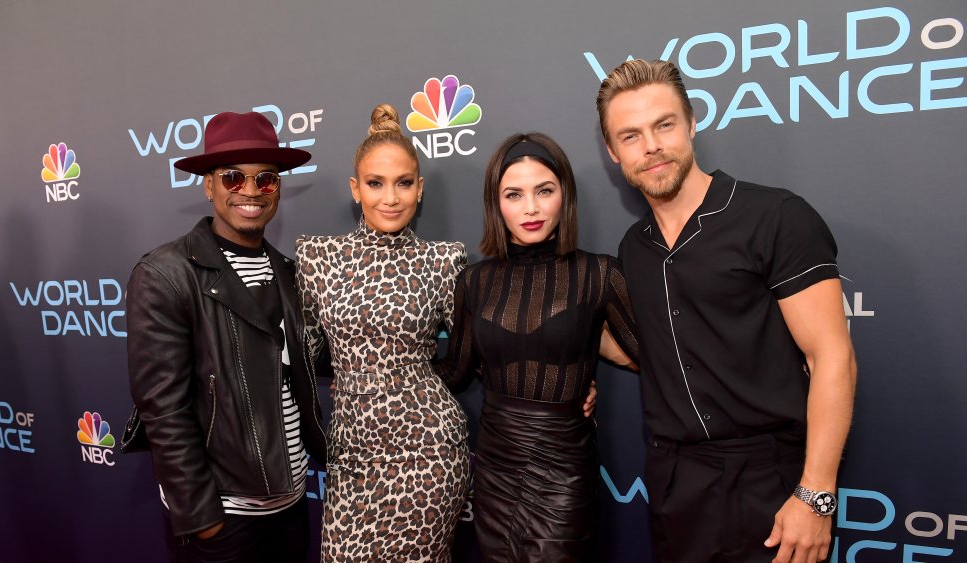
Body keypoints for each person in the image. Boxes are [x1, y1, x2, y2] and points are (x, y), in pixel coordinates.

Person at [596, 59, 857, 563]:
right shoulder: (635, 247)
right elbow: (657, 353)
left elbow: (833, 358)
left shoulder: (775, 216)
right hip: (674, 482)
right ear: (613, 153)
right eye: (630, 136)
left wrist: (816, 494)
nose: (650, 146)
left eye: (664, 125)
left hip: (771, 479)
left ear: (692, 124)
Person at [126, 111, 328, 562]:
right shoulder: (166, 274)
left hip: (291, 504)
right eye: (233, 178)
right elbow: (163, 408)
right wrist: (203, 518)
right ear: (209, 186)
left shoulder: (289, 274)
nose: (251, 192)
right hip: (223, 520)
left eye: (267, 180)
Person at [437, 132, 640, 562]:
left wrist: (581, 358)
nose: (530, 208)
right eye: (514, 194)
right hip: (495, 464)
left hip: (563, 467)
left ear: (564, 195)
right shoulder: (474, 282)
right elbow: (455, 371)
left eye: (544, 191)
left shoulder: (598, 273)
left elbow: (657, 355)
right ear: (496, 204)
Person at [295, 103, 471, 562]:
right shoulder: (317, 258)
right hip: (350, 451)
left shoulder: (444, 261)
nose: (390, 197)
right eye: (375, 183)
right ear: (355, 189)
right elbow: (305, 347)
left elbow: (481, 349)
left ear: (420, 189)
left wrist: (566, 377)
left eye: (403, 183)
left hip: (428, 452)